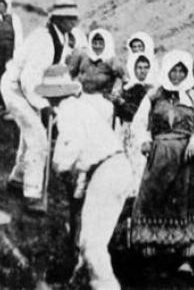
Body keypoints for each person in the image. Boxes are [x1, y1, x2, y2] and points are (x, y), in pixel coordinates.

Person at [131, 49, 194, 271]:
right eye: (173, 70)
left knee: (187, 202)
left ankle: (187, 258)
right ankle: (155, 254)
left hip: (187, 159)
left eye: (182, 70)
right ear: (166, 70)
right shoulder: (153, 96)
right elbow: (138, 123)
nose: (177, 75)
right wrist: (143, 141)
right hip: (159, 156)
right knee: (155, 199)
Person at [0, 0, 79, 214]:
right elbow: (29, 79)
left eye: (74, 18)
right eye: (69, 19)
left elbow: (53, 70)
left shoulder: (61, 37)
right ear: (59, 19)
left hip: (29, 89)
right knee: (38, 140)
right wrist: (43, 106)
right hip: (16, 89)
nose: (73, 23)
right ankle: (33, 194)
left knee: (30, 136)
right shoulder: (44, 40)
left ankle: (17, 179)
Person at [53, 87, 132, 290]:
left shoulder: (67, 110)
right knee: (88, 239)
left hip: (107, 171)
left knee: (93, 247)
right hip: (106, 170)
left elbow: (72, 147)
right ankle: (78, 281)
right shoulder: (80, 108)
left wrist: (59, 165)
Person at [113, 53, 155, 196]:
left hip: (144, 129)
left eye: (145, 68)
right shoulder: (128, 88)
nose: (142, 71)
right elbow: (120, 111)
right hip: (128, 128)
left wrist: (124, 104)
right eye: (139, 68)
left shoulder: (153, 90)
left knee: (141, 161)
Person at [69, 28, 124, 104]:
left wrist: (115, 92)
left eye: (101, 43)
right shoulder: (84, 57)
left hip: (103, 100)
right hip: (83, 98)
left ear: (107, 44)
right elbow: (72, 74)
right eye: (94, 43)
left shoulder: (112, 60)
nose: (97, 46)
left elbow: (122, 78)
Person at [0, 0, 23, 115]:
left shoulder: (14, 19)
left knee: (8, 77)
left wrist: (17, 54)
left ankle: (8, 105)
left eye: (2, 5)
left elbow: (18, 37)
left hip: (10, 53)